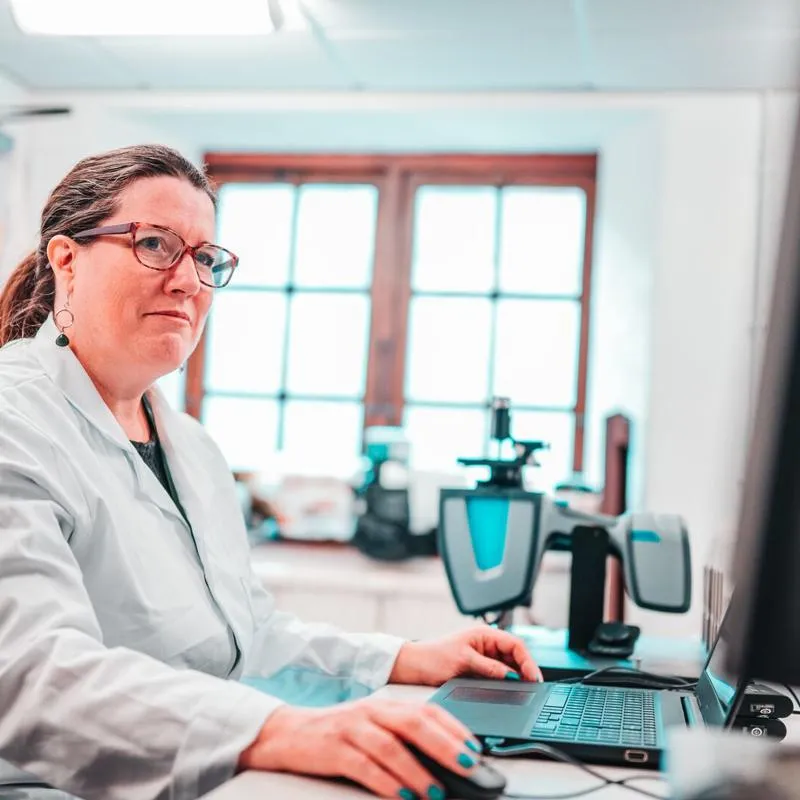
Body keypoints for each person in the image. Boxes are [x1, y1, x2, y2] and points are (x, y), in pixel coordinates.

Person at [0, 144, 542, 800]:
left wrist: (403, 658)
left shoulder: (192, 449)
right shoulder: (15, 419)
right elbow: (30, 671)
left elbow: (245, 636)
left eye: (204, 258)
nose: (188, 281)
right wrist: (276, 730)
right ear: (67, 260)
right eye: (155, 245)